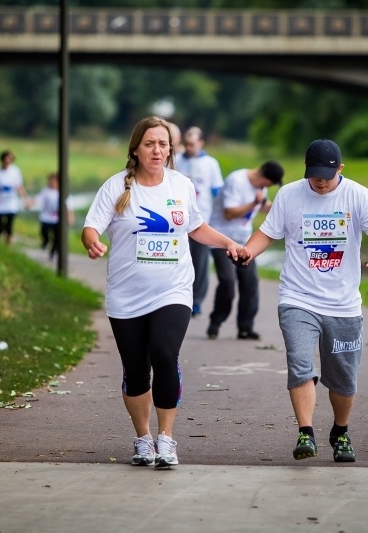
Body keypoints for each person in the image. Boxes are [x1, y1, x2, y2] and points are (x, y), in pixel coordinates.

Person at [82, 116, 241, 469]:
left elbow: (196, 227)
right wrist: (92, 242)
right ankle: (143, 439)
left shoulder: (181, 185)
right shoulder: (116, 187)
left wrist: (228, 242)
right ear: (136, 149)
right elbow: (91, 226)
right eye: (150, 143)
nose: (157, 150)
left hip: (173, 288)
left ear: (172, 150)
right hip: (126, 294)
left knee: (165, 356)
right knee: (136, 369)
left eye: (164, 144)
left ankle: (166, 439)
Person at [238, 139, 368, 464]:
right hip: (298, 297)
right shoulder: (290, 194)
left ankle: (340, 431)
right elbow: (267, 232)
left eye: (327, 175)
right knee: (300, 362)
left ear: (340, 169)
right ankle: (305, 431)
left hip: (343, 304)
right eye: (315, 176)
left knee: (343, 379)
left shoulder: (358, 196)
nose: (320, 182)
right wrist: (247, 253)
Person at [206, 161, 284, 341]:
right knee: (227, 281)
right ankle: (215, 322)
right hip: (222, 240)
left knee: (250, 284)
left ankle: (245, 328)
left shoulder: (260, 188)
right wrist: (253, 203)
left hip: (244, 242)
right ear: (265, 177)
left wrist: (281, 209)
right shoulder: (237, 181)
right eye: (271, 183)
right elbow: (229, 213)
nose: (269, 187)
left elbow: (263, 205)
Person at [174, 126, 224, 317]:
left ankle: (197, 301)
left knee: (200, 262)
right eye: (186, 144)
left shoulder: (210, 163)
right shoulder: (177, 161)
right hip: (179, 220)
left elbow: (217, 192)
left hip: (203, 220)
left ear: (201, 143)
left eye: (192, 144)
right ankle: (179, 298)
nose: (188, 147)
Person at [0, 150, 30, 246]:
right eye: (6, 159)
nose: (7, 161)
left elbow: (19, 186)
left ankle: (8, 243)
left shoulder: (15, 171)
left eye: (10, 159)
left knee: (10, 224)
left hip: (11, 202)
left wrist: (25, 199)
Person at [33, 172, 74, 262]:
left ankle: (53, 251)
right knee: (44, 232)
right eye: (50, 181)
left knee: (57, 238)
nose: (51, 183)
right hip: (46, 218)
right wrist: (30, 203)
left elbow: (69, 207)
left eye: (53, 181)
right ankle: (45, 241)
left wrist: (70, 217)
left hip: (57, 220)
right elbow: (38, 199)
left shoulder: (64, 192)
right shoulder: (46, 191)